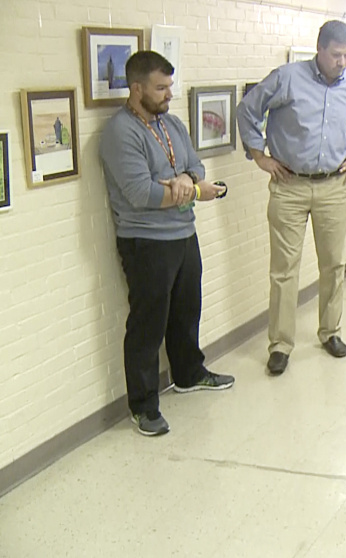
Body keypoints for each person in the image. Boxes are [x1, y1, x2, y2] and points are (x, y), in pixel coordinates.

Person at [237, 20, 346, 376]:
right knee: (284, 270)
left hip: (334, 185)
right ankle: (280, 344)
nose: (342, 62)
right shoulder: (287, 78)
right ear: (319, 50)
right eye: (336, 55)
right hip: (288, 184)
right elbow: (247, 110)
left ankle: (330, 331)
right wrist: (259, 155)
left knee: (333, 265)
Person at [99, 51, 233, 436]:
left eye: (170, 86)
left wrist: (183, 182)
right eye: (160, 88)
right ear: (136, 88)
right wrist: (190, 189)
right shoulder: (120, 132)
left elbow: (196, 165)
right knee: (147, 323)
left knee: (186, 310)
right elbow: (141, 192)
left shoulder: (171, 123)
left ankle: (189, 373)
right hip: (145, 241)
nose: (168, 94)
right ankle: (143, 405)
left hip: (183, 234)